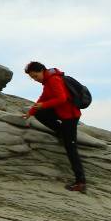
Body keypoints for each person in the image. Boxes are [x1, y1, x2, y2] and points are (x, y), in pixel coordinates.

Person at [23, 61, 87, 192]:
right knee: (40, 113)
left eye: (35, 76)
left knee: (70, 148)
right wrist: (31, 112)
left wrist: (44, 105)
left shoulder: (54, 79)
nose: (35, 79)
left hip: (70, 116)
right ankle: (61, 132)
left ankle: (80, 182)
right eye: (33, 77)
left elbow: (61, 98)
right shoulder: (47, 81)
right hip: (61, 112)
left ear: (42, 70)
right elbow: (43, 98)